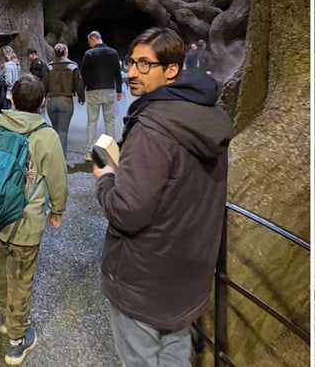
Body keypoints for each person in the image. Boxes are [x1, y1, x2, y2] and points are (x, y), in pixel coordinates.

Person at [92, 28, 232, 366]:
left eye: (144, 64)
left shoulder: (152, 128)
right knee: (174, 354)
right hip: (188, 275)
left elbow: (128, 211)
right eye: (131, 62)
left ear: (172, 69)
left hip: (145, 279)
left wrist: (105, 179)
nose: (131, 72)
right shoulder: (209, 118)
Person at [0, 75, 68, 366]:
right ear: (42, 102)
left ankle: (4, 316)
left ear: (11, 99)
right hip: (26, 224)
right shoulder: (47, 136)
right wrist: (57, 211)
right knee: (21, 278)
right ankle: (16, 341)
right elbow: (58, 182)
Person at [81, 31, 123, 151]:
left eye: (89, 41)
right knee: (109, 120)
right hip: (109, 89)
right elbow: (117, 73)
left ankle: (90, 149)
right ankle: (111, 149)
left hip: (93, 90)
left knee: (92, 121)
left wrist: (81, 94)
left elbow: (84, 74)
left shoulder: (89, 54)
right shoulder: (113, 52)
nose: (89, 44)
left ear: (93, 39)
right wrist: (119, 90)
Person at [43, 43, 86, 158]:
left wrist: (42, 98)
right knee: (63, 131)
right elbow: (79, 83)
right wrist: (81, 98)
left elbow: (44, 84)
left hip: (51, 100)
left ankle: (54, 156)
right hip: (66, 99)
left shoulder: (49, 66)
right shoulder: (73, 66)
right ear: (65, 52)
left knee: (55, 130)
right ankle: (61, 159)